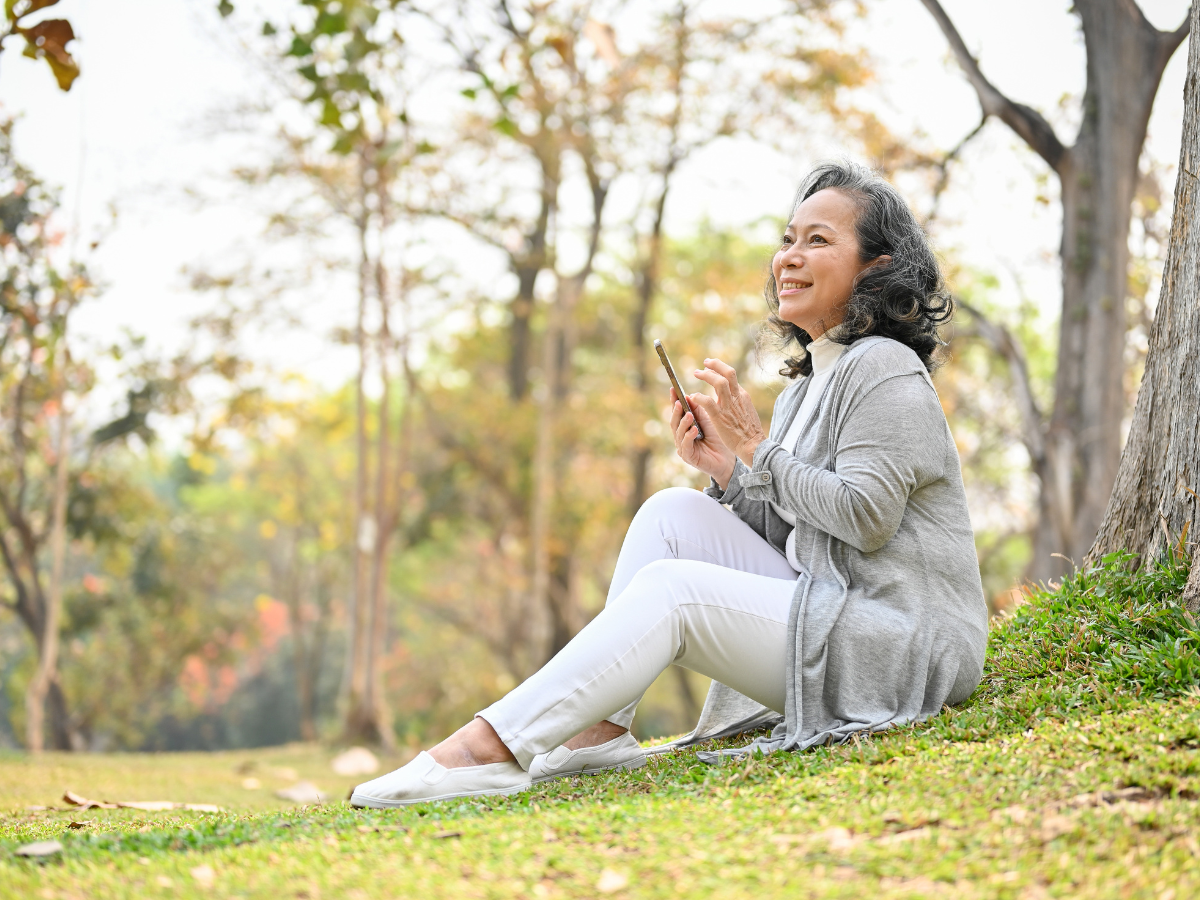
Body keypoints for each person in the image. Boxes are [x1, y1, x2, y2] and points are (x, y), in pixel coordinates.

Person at [351, 160, 989, 808]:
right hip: (835, 610)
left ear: (877, 267)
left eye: (817, 241)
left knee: (674, 592)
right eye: (788, 239)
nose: (789, 259)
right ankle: (596, 735)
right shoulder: (809, 385)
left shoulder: (884, 367)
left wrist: (757, 450)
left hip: (905, 647)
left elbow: (864, 518)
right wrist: (727, 470)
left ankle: (486, 748)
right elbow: (805, 539)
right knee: (672, 513)